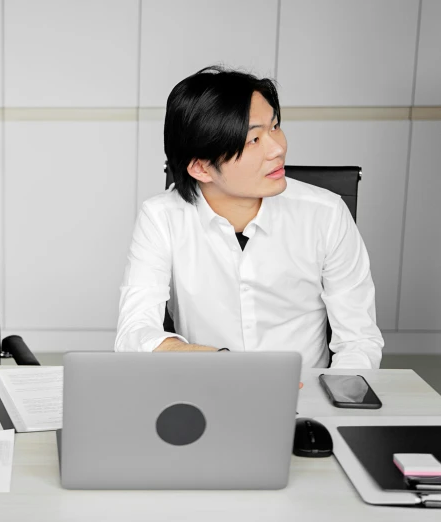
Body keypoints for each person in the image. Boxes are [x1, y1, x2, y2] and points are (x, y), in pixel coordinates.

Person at [115, 66, 383, 369]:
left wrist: (329, 402)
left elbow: (359, 341)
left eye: (275, 126)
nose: (278, 148)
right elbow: (134, 335)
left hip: (306, 398)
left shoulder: (326, 213)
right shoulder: (161, 217)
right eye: (254, 140)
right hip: (208, 386)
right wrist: (225, 366)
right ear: (201, 168)